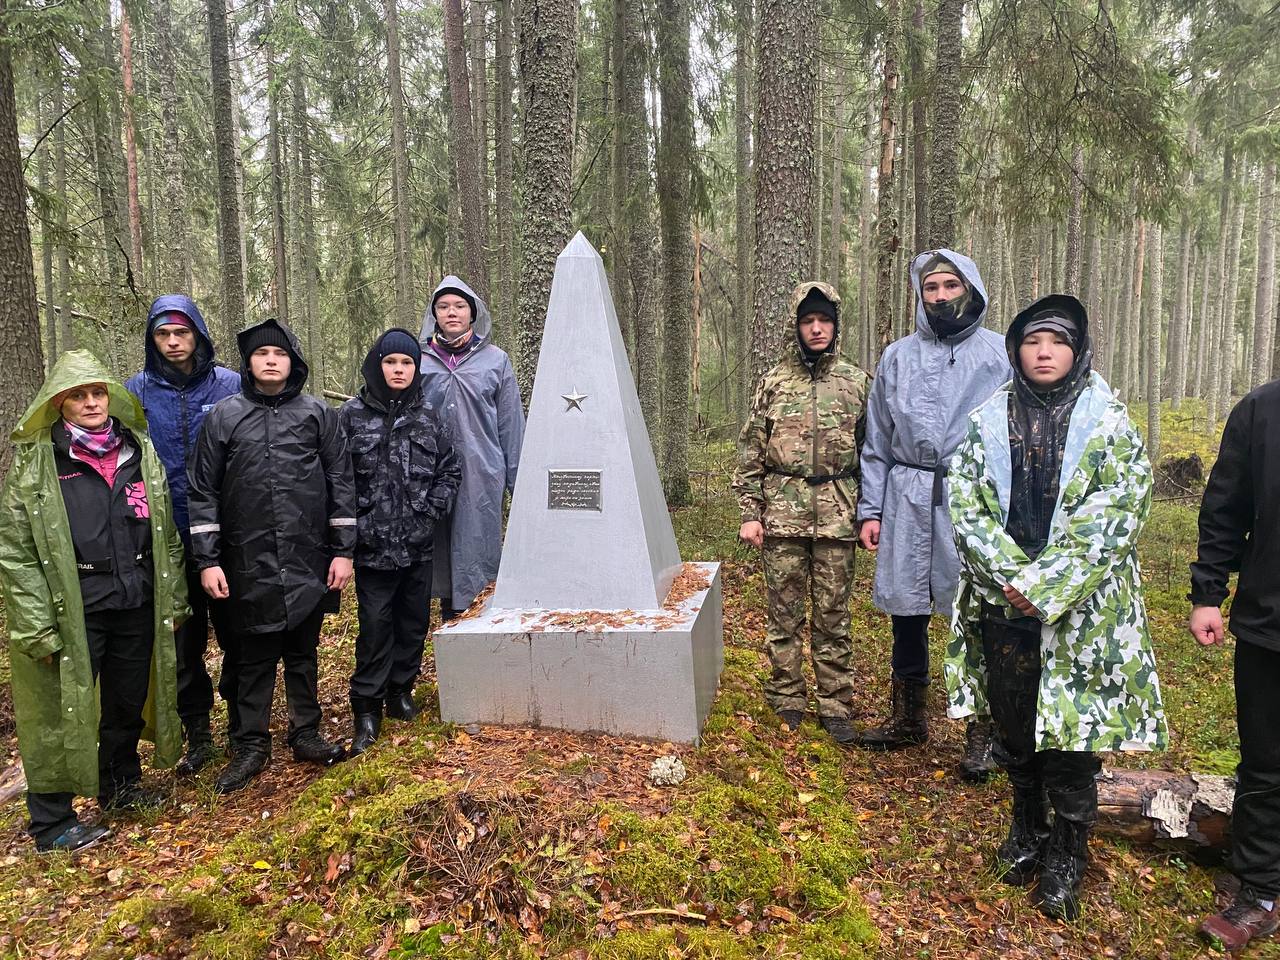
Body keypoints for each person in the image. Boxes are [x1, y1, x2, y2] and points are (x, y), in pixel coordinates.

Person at [946, 294, 1166, 920]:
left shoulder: (1109, 425)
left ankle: (1069, 850)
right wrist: (1012, 578)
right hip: (1004, 605)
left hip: (1081, 613)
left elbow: (1118, 512)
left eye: (1058, 342)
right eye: (1032, 341)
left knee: (1072, 734)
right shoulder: (988, 420)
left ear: (1078, 351)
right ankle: (1026, 829)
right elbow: (966, 505)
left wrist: (1047, 584)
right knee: (1014, 722)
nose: (1044, 353)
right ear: (1015, 350)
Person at [0, 350, 187, 852]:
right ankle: (52, 821)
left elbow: (165, 530)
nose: (90, 402)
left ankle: (120, 785)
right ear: (58, 404)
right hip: (73, 605)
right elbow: (16, 550)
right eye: (78, 395)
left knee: (125, 698)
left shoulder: (137, 451)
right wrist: (35, 624)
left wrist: (174, 598)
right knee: (61, 708)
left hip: (134, 597)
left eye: (97, 392)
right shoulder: (39, 461)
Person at [856, 249, 1010, 778]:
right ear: (920, 295)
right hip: (906, 492)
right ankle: (908, 717)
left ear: (970, 288)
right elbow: (877, 439)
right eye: (930, 288)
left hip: (971, 498)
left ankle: (983, 730)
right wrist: (871, 509)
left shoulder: (998, 355)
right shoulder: (898, 357)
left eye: (950, 285)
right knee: (907, 609)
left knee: (977, 611)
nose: (941, 296)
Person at [187, 318, 355, 794]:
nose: (271, 361)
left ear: (293, 361)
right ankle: (250, 745)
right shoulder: (224, 417)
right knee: (252, 657)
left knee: (303, 652)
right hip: (246, 560)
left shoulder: (318, 414)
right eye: (262, 353)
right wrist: (208, 560)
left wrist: (343, 552)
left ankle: (306, 732)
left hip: (308, 557)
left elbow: (341, 482)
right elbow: (202, 491)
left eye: (279, 353)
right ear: (249, 362)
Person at [733, 281, 870, 745]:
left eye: (824, 320)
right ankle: (787, 696)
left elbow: (872, 455)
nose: (816, 328)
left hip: (838, 515)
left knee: (834, 615)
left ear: (835, 325)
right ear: (795, 326)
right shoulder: (774, 383)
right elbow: (751, 452)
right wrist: (750, 512)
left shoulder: (856, 382)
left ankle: (835, 703)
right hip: (782, 516)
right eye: (808, 320)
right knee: (784, 613)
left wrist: (870, 512)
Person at [126, 295, 241, 776]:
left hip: (229, 535)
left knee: (238, 634)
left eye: (182, 332)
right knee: (182, 644)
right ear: (152, 340)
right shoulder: (135, 392)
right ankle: (199, 733)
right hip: (166, 539)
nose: (173, 342)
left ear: (198, 334)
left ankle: (242, 724)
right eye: (163, 334)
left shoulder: (230, 384)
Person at [1189, 376, 1280, 951]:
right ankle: (1261, 891)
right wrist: (1208, 592)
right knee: (1266, 763)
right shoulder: (1263, 410)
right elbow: (1225, 506)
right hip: (1270, 620)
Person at [339, 329, 461, 753]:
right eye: (391, 362)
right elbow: (337, 478)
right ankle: (366, 708)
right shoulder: (351, 416)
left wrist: (429, 514)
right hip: (372, 549)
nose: (398, 370)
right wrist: (353, 527)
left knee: (413, 623)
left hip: (417, 545)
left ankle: (400, 691)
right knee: (375, 627)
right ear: (378, 365)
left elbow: (449, 470)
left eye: (407, 363)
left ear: (416, 369)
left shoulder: (428, 416)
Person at [418, 277, 524, 620]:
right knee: (434, 552)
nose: (452, 312)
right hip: (429, 475)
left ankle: (477, 624)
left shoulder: (495, 361)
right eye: (444, 306)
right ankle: (442, 626)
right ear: (434, 314)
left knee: (476, 548)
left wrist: (519, 487)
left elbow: (510, 425)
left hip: (481, 473)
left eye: (460, 306)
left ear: (472, 313)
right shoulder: (418, 361)